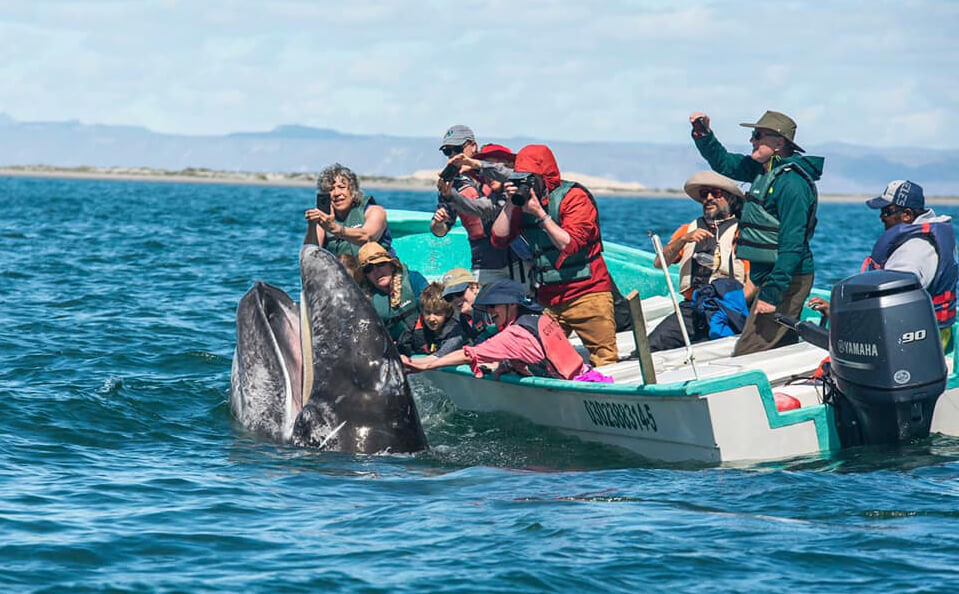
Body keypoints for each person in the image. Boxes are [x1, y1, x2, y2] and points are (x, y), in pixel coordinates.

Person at [690, 110, 824, 356]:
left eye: (757, 135)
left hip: (787, 278)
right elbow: (724, 163)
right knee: (775, 345)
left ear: (778, 143)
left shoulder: (792, 184)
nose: (751, 140)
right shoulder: (762, 171)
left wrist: (772, 295)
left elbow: (792, 246)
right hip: (768, 276)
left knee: (749, 351)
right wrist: (703, 134)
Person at [490, 144, 619, 367]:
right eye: (521, 179)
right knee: (536, 358)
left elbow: (570, 244)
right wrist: (512, 204)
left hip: (587, 294)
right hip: (549, 299)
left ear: (543, 176)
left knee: (605, 359)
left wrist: (539, 213)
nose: (526, 184)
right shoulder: (522, 205)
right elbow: (498, 238)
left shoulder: (574, 197)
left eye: (530, 178)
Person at [809, 180, 957, 350]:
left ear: (907, 215)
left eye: (886, 211)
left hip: (915, 341)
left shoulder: (914, 251)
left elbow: (892, 304)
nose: (881, 217)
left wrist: (840, 316)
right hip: (934, 333)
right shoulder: (931, 236)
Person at [402, 279, 612, 383]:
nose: (490, 312)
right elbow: (534, 353)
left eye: (495, 306)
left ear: (511, 305)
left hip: (571, 386)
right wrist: (508, 364)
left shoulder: (515, 334)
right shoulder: (540, 317)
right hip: (585, 374)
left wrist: (427, 366)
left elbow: (469, 354)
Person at [647, 171, 752, 351]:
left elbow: (753, 279)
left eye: (716, 194)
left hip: (727, 306)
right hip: (692, 307)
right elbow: (659, 263)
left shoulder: (743, 233)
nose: (709, 198)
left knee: (723, 348)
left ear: (731, 199)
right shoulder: (688, 229)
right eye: (705, 194)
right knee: (650, 345)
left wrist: (736, 305)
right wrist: (683, 240)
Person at [431, 126, 522, 284]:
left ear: (473, 146)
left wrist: (478, 165)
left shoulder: (493, 165)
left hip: (517, 258)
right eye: (447, 151)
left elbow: (515, 178)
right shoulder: (450, 185)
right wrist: (438, 223)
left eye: (457, 149)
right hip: (484, 262)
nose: (453, 155)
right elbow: (440, 230)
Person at [304, 163, 393, 259]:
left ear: (353, 191)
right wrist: (312, 225)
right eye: (330, 189)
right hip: (340, 271)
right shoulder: (324, 219)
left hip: (376, 271)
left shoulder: (375, 211)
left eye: (342, 187)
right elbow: (310, 255)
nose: (336, 193)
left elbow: (367, 237)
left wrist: (336, 229)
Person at [355, 242, 427, 342]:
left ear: (392, 266)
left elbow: (435, 309)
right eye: (369, 269)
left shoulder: (414, 280)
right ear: (366, 276)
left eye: (380, 264)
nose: (377, 272)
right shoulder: (364, 299)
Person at [396, 282, 465, 357]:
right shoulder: (413, 326)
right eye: (428, 313)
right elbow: (401, 349)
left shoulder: (456, 328)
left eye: (437, 313)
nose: (431, 319)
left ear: (447, 313)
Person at [440, 268, 494, 344]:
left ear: (475, 287)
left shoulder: (491, 309)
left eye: (459, 293)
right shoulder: (464, 318)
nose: (455, 300)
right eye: (449, 297)